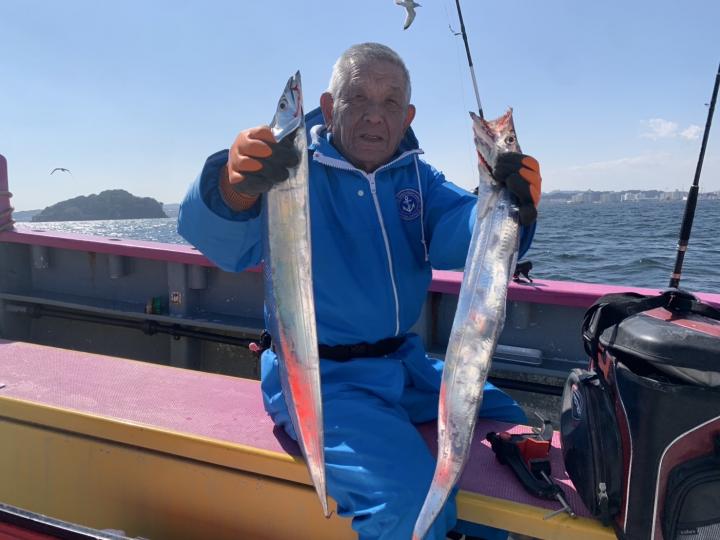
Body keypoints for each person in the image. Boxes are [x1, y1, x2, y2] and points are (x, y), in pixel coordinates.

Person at [178, 42, 542, 540]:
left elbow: (461, 232)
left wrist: (508, 207)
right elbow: (225, 246)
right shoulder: (288, 172)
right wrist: (233, 187)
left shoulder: (418, 178)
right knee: (405, 506)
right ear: (329, 108)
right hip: (319, 378)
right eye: (358, 99)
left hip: (406, 367)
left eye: (391, 102)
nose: (375, 115)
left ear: (408, 116)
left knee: (506, 428)